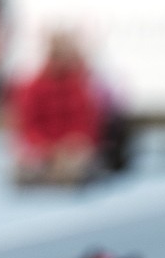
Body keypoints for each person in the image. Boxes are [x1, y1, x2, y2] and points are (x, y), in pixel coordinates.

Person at [7, 31, 108, 186]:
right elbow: (28, 126)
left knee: (77, 160)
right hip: (43, 150)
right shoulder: (33, 87)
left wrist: (70, 144)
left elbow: (85, 124)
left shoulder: (78, 87)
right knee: (25, 167)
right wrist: (47, 148)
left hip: (69, 149)